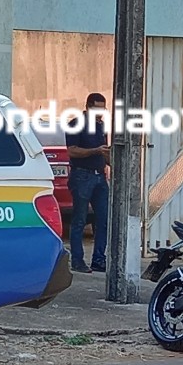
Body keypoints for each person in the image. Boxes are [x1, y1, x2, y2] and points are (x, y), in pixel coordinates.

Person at [65, 92, 110, 273]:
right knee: (80, 220)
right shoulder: (76, 125)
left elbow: (103, 151)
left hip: (99, 176)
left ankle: (99, 259)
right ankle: (77, 260)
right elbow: (72, 151)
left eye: (103, 108)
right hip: (82, 176)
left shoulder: (101, 126)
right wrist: (96, 151)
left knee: (104, 218)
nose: (100, 112)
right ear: (88, 106)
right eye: (97, 108)